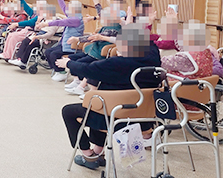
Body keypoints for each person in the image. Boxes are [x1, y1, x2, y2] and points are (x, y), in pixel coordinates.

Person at [58, 25, 162, 170]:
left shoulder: (118, 64)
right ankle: (98, 152)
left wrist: (68, 63)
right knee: (101, 104)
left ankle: (88, 155)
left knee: (71, 111)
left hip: (116, 118)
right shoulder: (153, 58)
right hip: (144, 119)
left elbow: (89, 69)